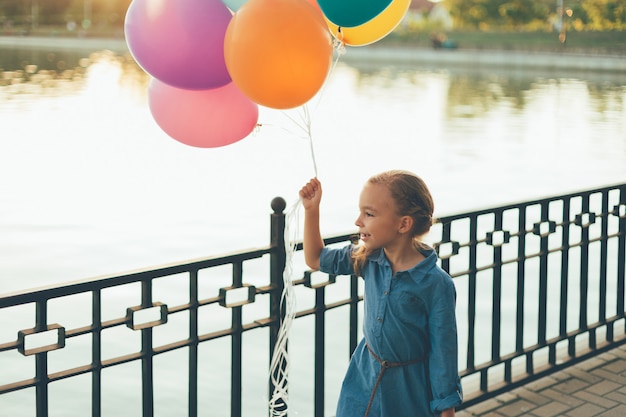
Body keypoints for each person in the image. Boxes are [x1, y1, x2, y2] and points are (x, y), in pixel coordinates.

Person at [299, 171, 463, 417]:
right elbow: (315, 258)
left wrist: (446, 409)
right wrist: (312, 210)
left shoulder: (437, 284)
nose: (358, 221)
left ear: (403, 224)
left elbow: (443, 353)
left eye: (369, 214)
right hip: (363, 379)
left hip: (408, 392)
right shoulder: (368, 258)